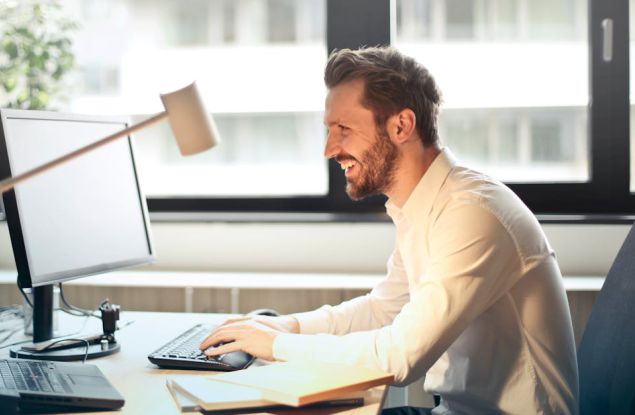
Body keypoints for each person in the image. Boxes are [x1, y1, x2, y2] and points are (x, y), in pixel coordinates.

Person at [200, 46, 579, 414]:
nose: (330, 149)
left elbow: (401, 357)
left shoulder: (473, 214)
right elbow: (384, 309)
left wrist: (277, 345)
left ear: (402, 125)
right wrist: (288, 326)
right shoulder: (422, 206)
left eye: (343, 129)